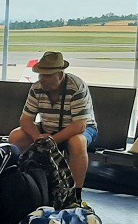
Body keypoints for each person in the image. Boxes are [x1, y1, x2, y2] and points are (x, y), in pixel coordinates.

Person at [8, 51, 97, 203]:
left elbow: (79, 125)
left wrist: (50, 140)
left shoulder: (76, 87)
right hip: (47, 129)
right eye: (41, 75)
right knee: (15, 136)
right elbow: (26, 119)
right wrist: (37, 137)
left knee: (77, 143)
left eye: (47, 75)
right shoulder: (37, 88)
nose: (42, 79)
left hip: (80, 130)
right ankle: (19, 185)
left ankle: (75, 195)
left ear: (60, 75)